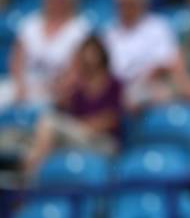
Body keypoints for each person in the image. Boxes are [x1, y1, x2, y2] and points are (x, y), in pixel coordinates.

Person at [23, 36, 122, 174]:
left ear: (102, 55)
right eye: (86, 53)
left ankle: (28, 181)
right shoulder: (78, 87)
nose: (89, 58)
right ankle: (36, 180)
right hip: (78, 137)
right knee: (37, 145)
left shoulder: (114, 84)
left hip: (104, 142)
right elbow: (62, 105)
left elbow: (113, 118)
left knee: (49, 121)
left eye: (93, 52)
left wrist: (83, 127)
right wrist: (70, 79)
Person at [103, 0, 190, 110]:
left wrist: (140, 82)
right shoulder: (109, 31)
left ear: (142, 3)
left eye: (131, 3)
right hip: (114, 88)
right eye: (122, 3)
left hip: (148, 85)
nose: (126, 8)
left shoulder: (157, 27)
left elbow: (166, 62)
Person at [3, 0, 90, 106]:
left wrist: (58, 88)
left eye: (62, 0)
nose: (57, 4)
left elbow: (78, 69)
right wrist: (20, 86)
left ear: (71, 2)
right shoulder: (30, 23)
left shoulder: (79, 28)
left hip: (57, 88)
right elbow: (16, 60)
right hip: (25, 83)